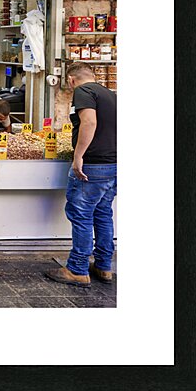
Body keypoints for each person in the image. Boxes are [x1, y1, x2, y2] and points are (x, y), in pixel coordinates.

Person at [45, 62, 117, 287]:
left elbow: (89, 122)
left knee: (81, 214)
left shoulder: (83, 92)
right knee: (103, 213)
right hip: (113, 163)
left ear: (70, 80)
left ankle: (77, 269)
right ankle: (105, 267)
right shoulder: (111, 94)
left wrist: (78, 157)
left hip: (92, 165)